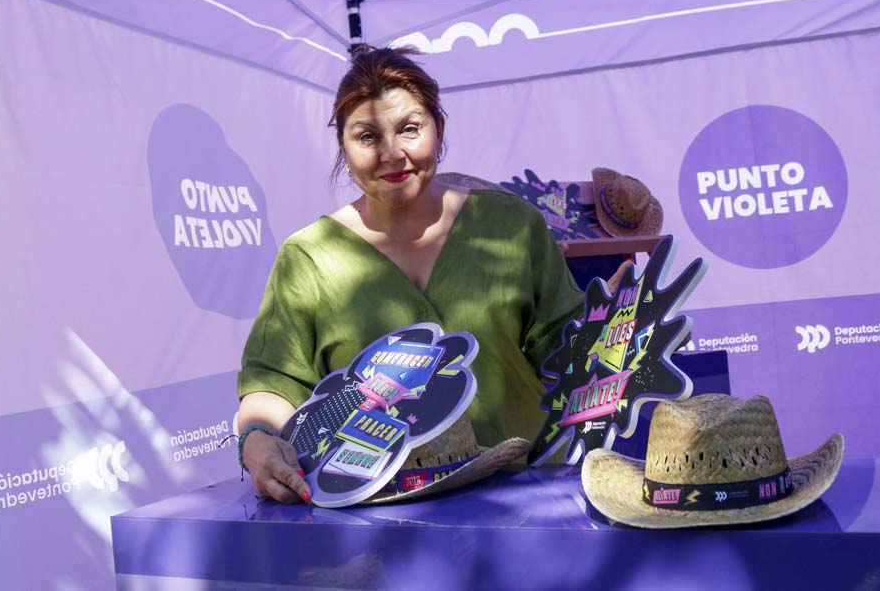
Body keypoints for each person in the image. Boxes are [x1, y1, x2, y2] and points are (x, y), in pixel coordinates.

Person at [236, 47, 630, 503]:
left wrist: (609, 332)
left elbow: (565, 352)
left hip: (527, 492)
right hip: (381, 513)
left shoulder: (510, 225)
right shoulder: (309, 257)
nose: (391, 154)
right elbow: (273, 381)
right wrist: (258, 440)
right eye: (367, 136)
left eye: (410, 129)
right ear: (343, 147)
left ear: (439, 129)